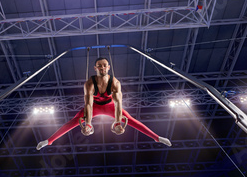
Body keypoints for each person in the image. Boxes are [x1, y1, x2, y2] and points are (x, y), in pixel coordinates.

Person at [37, 57, 171, 150]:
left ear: (108, 67)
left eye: (104, 65)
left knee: (129, 119)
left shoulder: (115, 83)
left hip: (111, 106)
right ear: (95, 68)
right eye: (99, 65)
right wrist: (88, 124)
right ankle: (49, 141)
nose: (102, 67)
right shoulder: (89, 83)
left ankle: (156, 138)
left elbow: (118, 105)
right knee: (74, 121)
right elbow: (88, 105)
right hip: (94, 107)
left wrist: (118, 122)